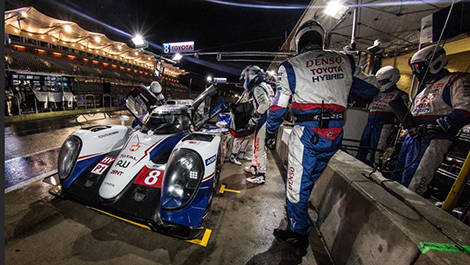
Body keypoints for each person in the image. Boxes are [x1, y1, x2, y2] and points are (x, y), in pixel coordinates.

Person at [264, 20, 378, 256]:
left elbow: (278, 107)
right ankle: (300, 219)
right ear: (321, 39)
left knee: (296, 187)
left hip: (307, 133)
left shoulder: (291, 66)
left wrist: (271, 130)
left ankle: (299, 234)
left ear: (300, 42)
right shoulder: (345, 60)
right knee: (308, 180)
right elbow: (370, 89)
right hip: (335, 133)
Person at [391, 45, 470, 195]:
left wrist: (436, 126)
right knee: (396, 178)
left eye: (419, 67)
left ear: (434, 63)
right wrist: (404, 136)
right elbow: (415, 113)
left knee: (414, 184)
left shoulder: (455, 80)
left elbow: (465, 110)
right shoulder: (423, 89)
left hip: (434, 139)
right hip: (413, 137)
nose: (417, 71)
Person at [356, 66, 408, 166]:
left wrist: (396, 131)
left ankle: (374, 169)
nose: (381, 84)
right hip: (370, 124)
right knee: (362, 148)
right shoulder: (376, 92)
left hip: (384, 126)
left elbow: (402, 117)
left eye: (383, 82)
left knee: (376, 152)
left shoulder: (400, 95)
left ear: (392, 79)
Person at [240, 65, 274, 184]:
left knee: (259, 148)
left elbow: (264, 104)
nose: (245, 81)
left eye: (245, 78)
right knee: (257, 146)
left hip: (263, 120)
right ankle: (254, 167)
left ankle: (261, 174)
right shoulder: (265, 85)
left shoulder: (257, 88)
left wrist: (254, 119)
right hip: (267, 120)